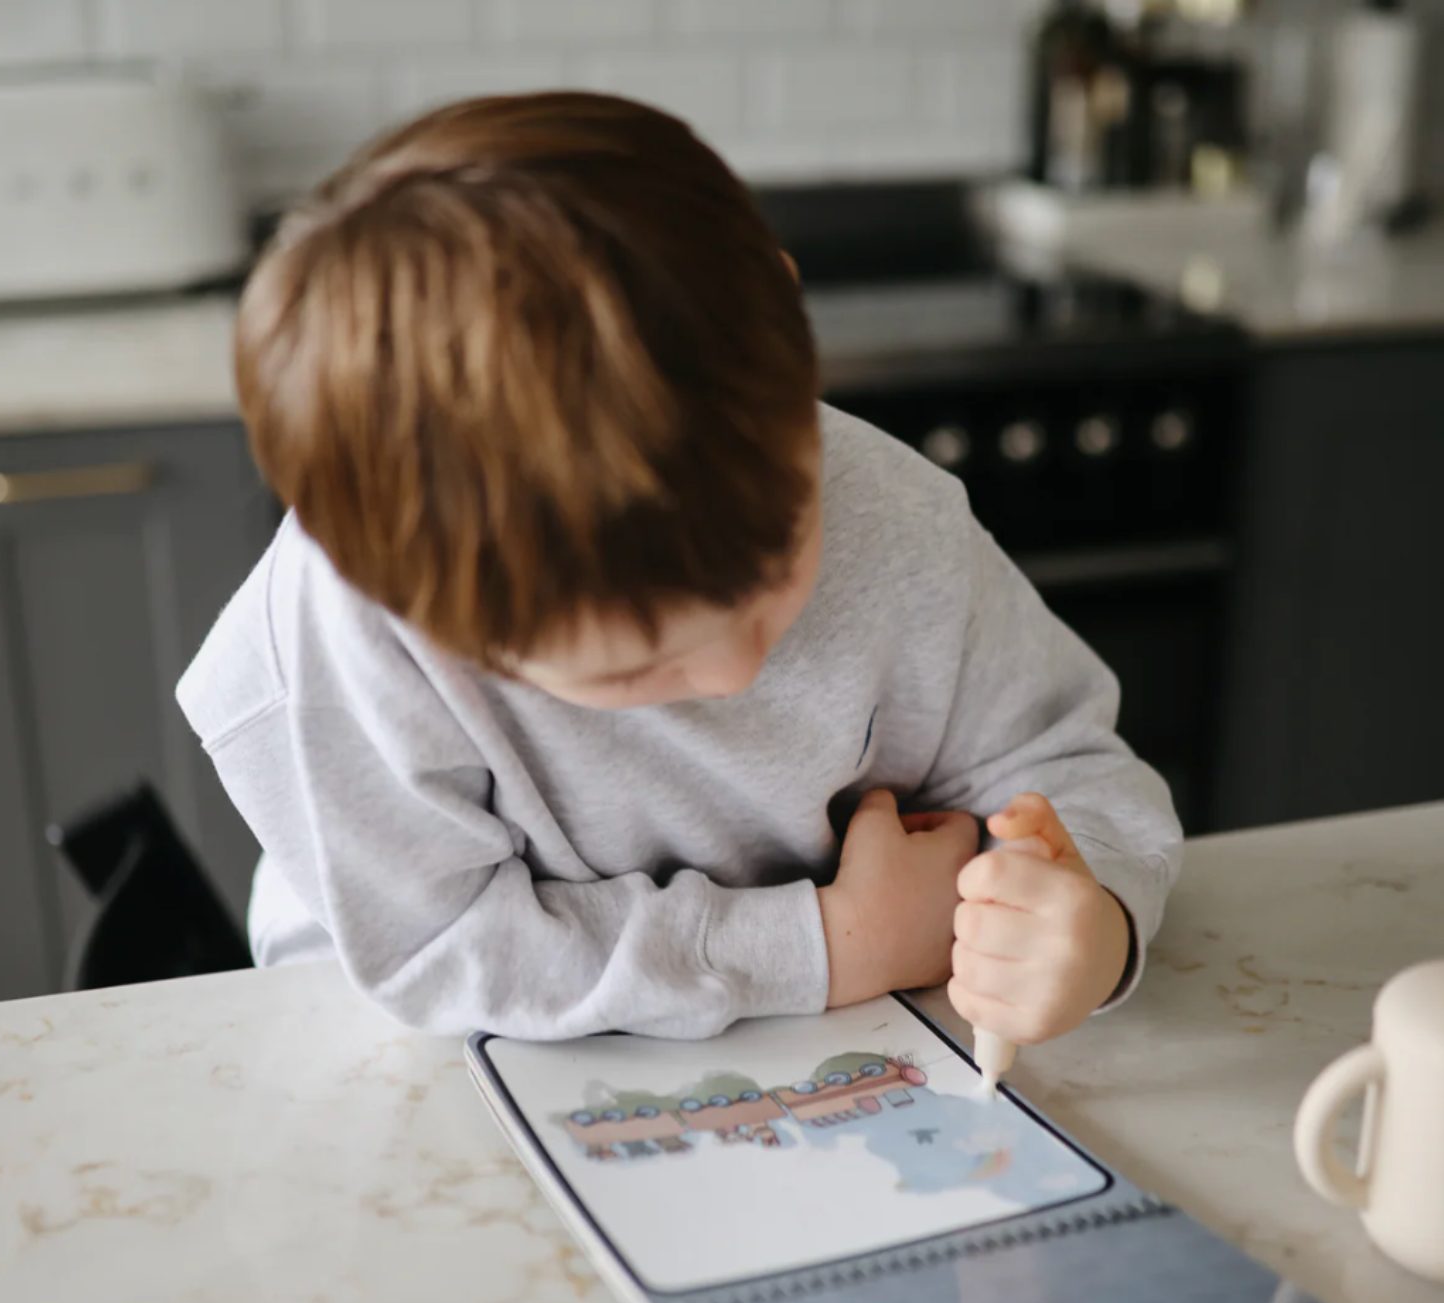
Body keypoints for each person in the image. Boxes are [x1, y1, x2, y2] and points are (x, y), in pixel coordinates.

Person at [177, 92, 1182, 1043]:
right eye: (628, 672)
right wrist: (833, 946)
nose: (736, 674)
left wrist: (1086, 926)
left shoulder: (899, 515)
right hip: (442, 1056)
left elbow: (1072, 772)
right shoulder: (348, 631)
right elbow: (441, 951)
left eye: (780, 564)